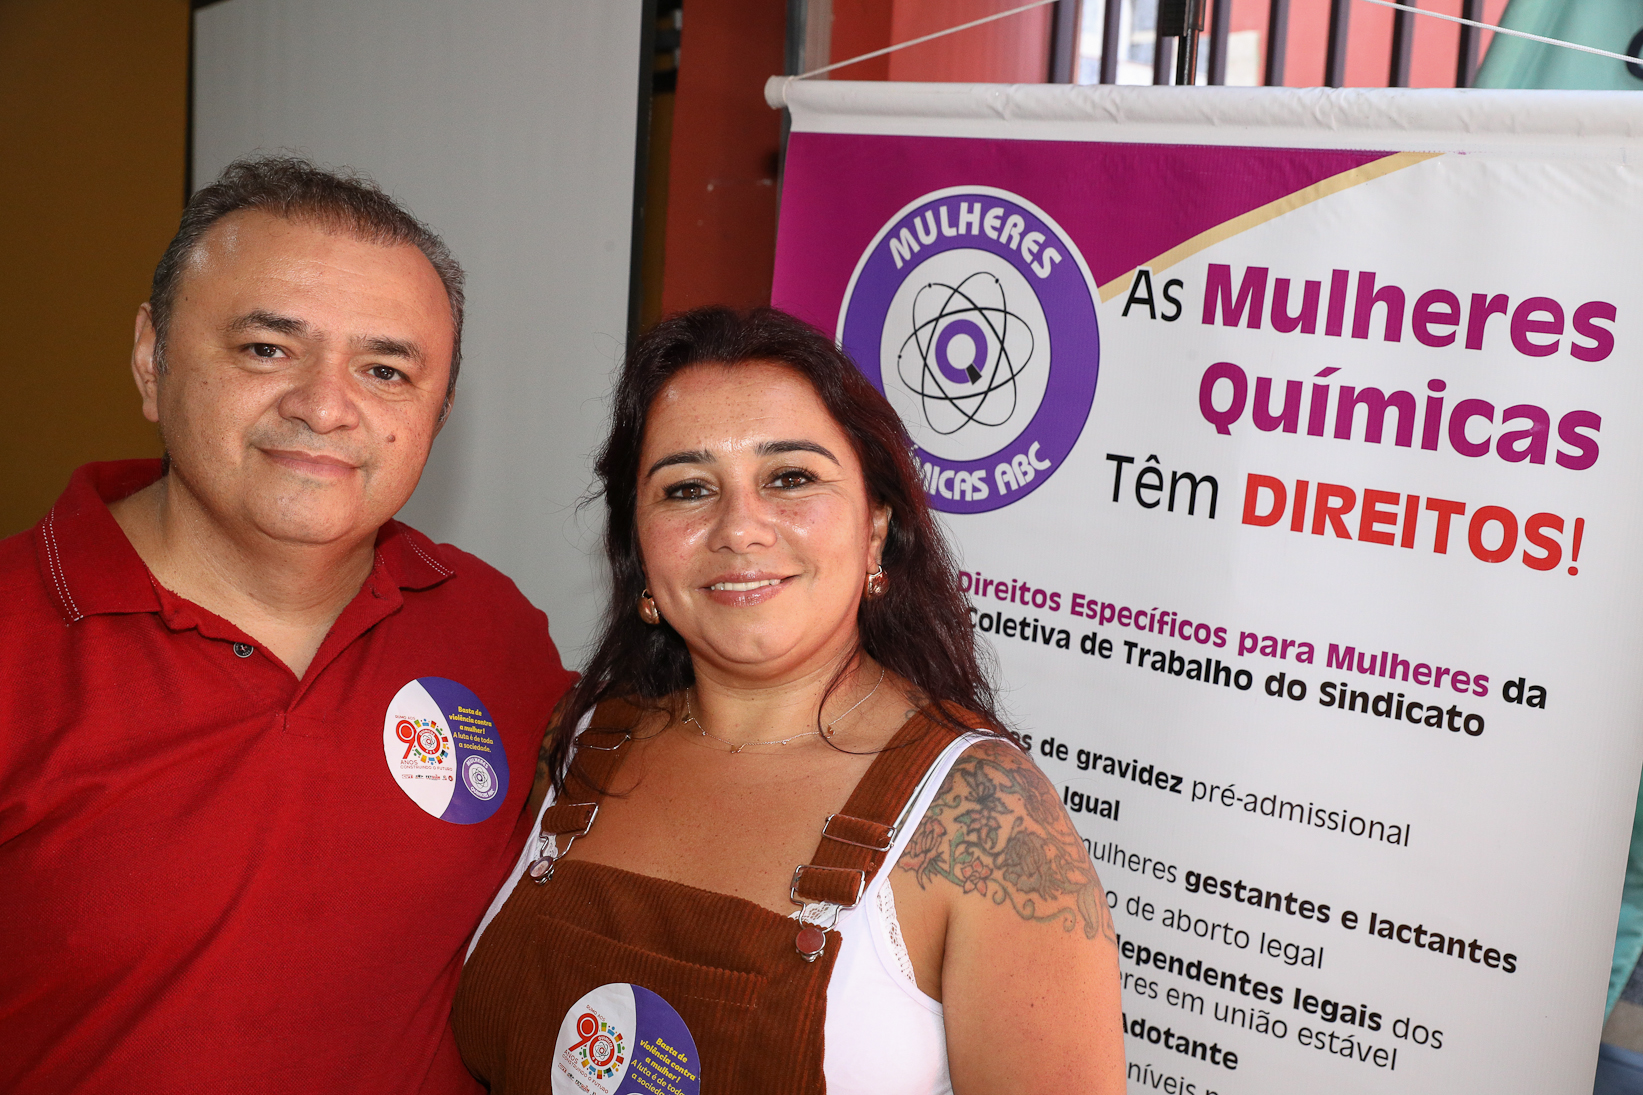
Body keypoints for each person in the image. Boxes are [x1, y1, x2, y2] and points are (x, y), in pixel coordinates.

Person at [0, 156, 576, 1093]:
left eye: (385, 368)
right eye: (267, 349)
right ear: (154, 357)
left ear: (437, 413)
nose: (324, 405)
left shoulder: (492, 627)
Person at [454, 307, 1124, 1093]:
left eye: (790, 477)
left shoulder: (983, 817)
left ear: (876, 527)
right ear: (637, 550)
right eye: (687, 487)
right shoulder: (576, 741)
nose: (739, 528)